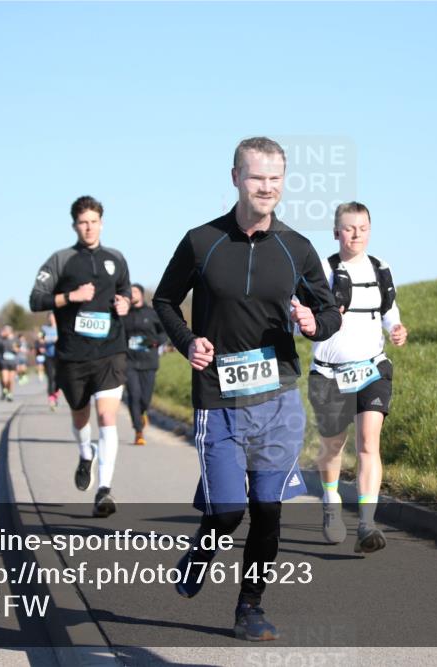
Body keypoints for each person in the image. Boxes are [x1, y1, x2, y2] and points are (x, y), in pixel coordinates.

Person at [153, 137, 341, 641]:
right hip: (218, 398)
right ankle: (205, 543)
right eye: (257, 178)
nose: (267, 188)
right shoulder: (201, 241)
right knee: (228, 512)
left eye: (276, 179)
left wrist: (311, 323)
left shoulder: (297, 247)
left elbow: (328, 314)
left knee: (267, 510)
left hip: (277, 398)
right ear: (236, 178)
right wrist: (187, 341)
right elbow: (165, 301)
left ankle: (250, 606)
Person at [307, 202, 407, 553]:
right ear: (336, 232)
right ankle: (331, 504)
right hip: (329, 374)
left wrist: (395, 328)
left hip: (371, 369)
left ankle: (367, 524)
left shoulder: (381, 268)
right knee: (333, 446)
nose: (356, 235)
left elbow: (389, 312)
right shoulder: (321, 269)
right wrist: (311, 319)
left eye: (362, 228)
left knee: (369, 442)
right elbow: (299, 314)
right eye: (349, 228)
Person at [29, 195, 131, 517]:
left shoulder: (116, 258)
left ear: (102, 223)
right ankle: (85, 453)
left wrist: (125, 303)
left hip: (110, 351)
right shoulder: (61, 260)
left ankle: (104, 489)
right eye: (83, 222)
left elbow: (126, 290)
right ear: (75, 225)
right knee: (80, 415)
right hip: (73, 355)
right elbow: (35, 300)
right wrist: (70, 297)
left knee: (107, 417)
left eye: (94, 221)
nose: (89, 227)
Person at [122, 283, 167, 445]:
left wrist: (156, 342)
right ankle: (138, 430)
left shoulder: (152, 314)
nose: (132, 294)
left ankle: (142, 413)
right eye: (130, 292)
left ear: (141, 294)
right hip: (129, 362)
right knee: (133, 395)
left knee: (145, 398)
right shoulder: (123, 314)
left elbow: (164, 332)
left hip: (149, 361)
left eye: (135, 291)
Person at [41, 311, 59, 410]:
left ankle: (55, 394)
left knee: (58, 378)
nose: (52, 319)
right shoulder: (44, 328)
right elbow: (40, 339)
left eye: (53, 317)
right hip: (49, 356)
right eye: (50, 317)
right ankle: (51, 399)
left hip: (59, 356)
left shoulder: (60, 328)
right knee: (50, 377)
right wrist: (49, 339)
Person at [0, 325, 19, 401]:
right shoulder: (1, 339)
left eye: (6, 330)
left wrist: (16, 349)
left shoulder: (15, 339)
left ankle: (10, 394)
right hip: (3, 362)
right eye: (4, 330)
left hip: (13, 362)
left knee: (10, 380)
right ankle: (5, 390)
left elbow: (18, 349)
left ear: (10, 331)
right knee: (4, 379)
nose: (4, 331)